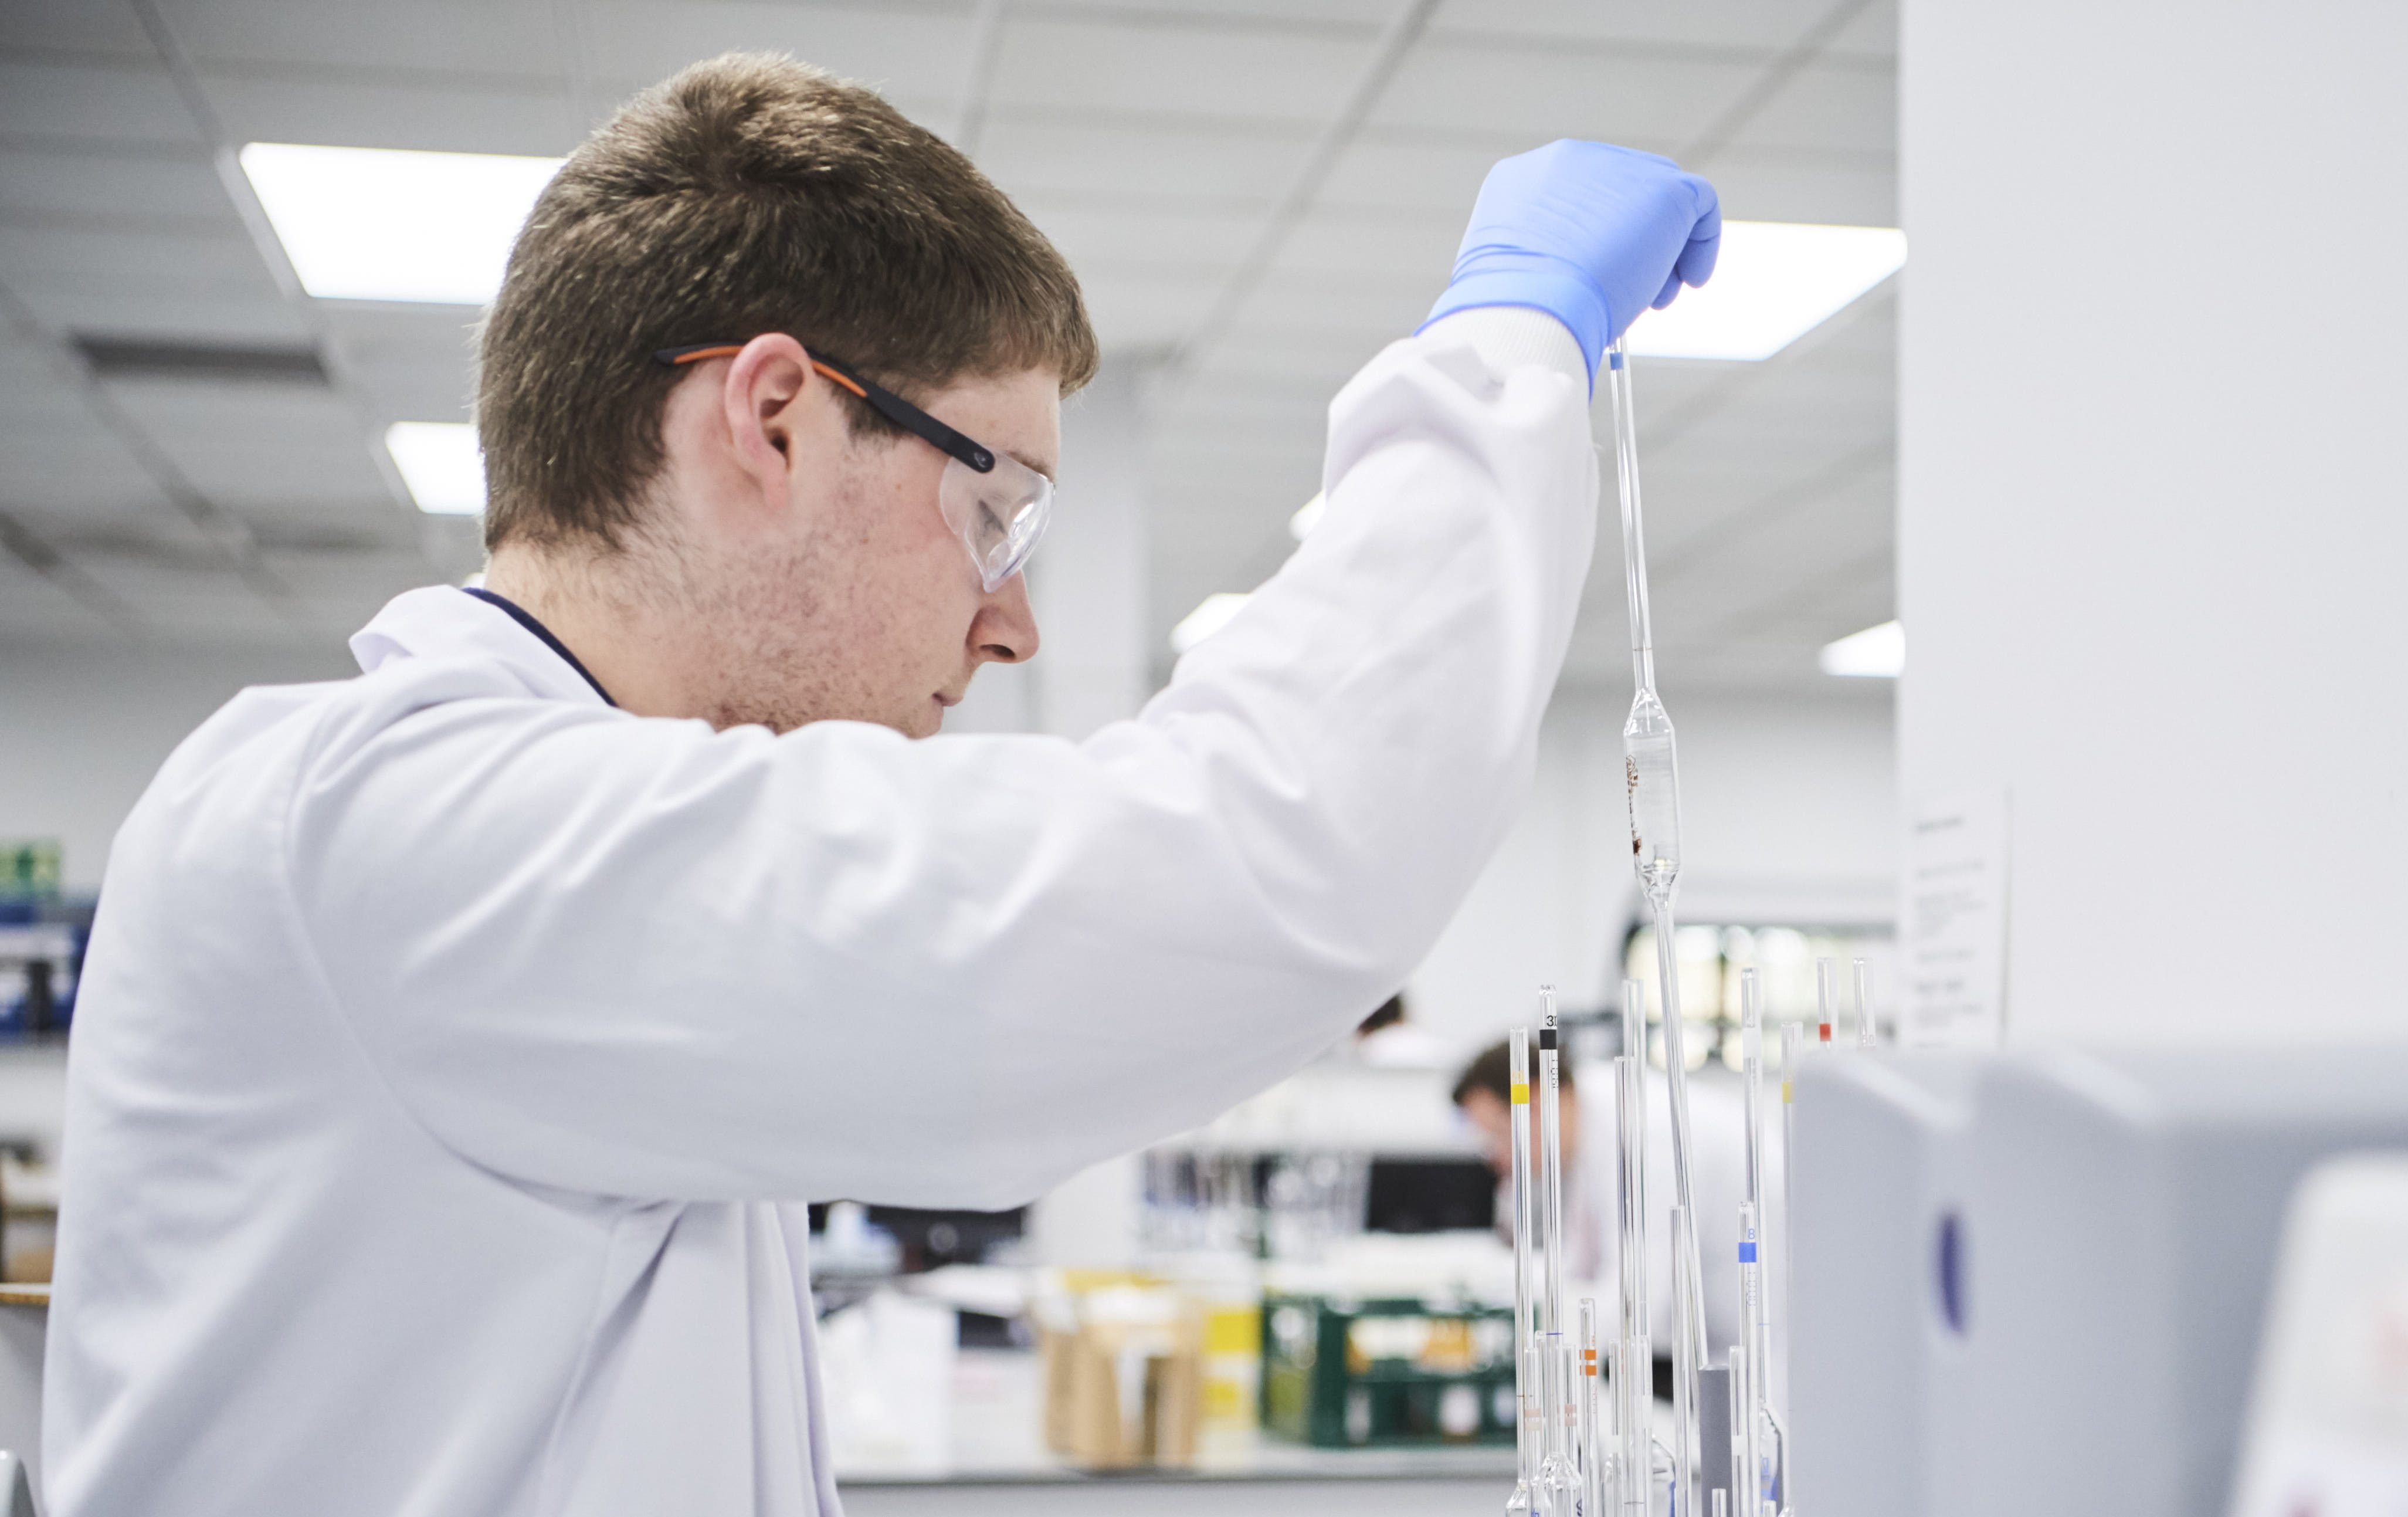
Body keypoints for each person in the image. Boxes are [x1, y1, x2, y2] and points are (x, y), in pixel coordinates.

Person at [43, 53, 1718, 1517]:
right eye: (994, 514)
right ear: (774, 419)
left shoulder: (517, 828)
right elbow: (1251, 857)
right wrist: (1506, 345)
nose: (1013, 622)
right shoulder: (392, 823)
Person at [1450, 1030, 1766, 1379]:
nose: (1494, 1158)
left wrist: (1543, 1341)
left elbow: (1639, 1303)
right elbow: (1577, 1270)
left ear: (1535, 1104)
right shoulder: (1591, 1121)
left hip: (1758, 1345)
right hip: (1717, 1350)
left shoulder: (1639, 1130)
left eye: (1495, 1135)